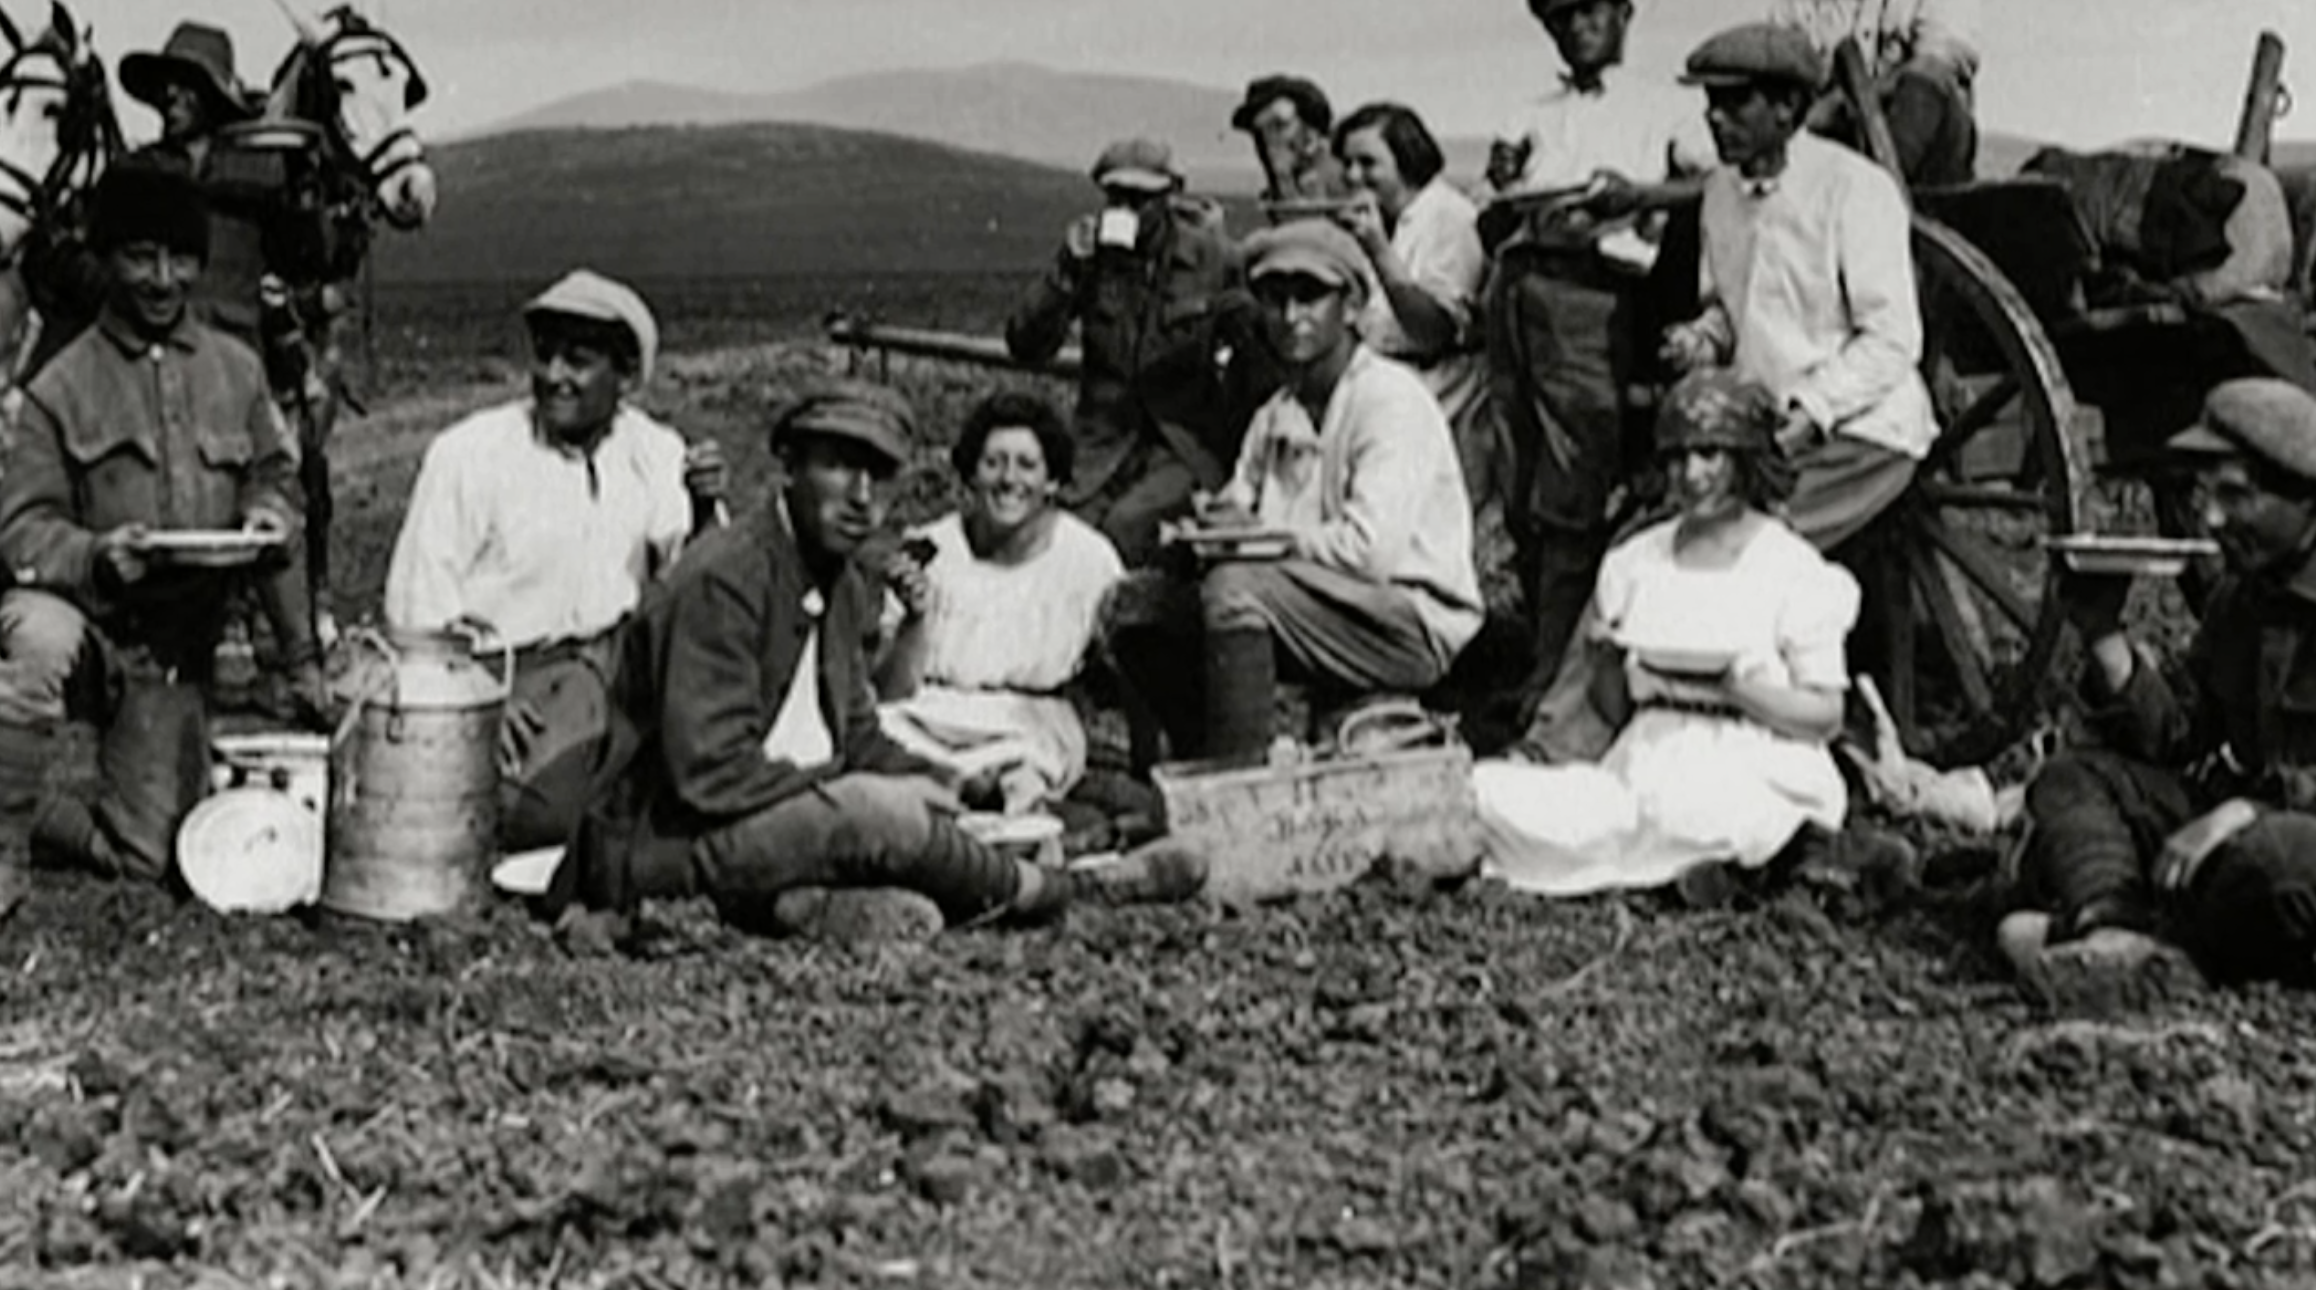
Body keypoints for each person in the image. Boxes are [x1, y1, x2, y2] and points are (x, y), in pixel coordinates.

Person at [543, 383, 1203, 944]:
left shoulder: (839, 573)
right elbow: (711, 775)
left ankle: (807, 908)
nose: (863, 494)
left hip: (766, 819)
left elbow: (858, 733)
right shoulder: (727, 579)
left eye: (881, 475)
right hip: (659, 845)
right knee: (877, 814)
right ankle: (1064, 894)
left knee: (926, 817)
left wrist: (960, 786)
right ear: (790, 465)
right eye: (840, 465)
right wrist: (871, 792)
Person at [0, 161, 321, 919]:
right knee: (38, 633)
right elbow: (21, 527)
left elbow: (277, 476)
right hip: (87, 630)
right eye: (140, 256)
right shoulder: (59, 385)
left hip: (174, 651)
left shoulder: (236, 372)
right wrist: (96, 556)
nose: (162, 277)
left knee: (150, 856)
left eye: (180, 258)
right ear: (107, 259)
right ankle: (3, 843)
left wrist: (272, 514)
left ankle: (42, 813)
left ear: (202, 262)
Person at [1112, 220, 1482, 763]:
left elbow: (1368, 552)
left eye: (1311, 298)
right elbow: (1239, 509)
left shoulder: (1387, 401)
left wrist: (1258, 537)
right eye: (1274, 299)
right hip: (1315, 603)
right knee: (1140, 611)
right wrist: (1213, 525)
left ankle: (1240, 779)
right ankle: (1188, 766)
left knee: (1236, 588)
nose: (1291, 317)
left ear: (1351, 308)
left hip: (1409, 620)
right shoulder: (1277, 412)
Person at [1476, 371, 1857, 897]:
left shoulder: (1790, 567)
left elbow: (1825, 717)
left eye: (1709, 455)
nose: (1691, 474)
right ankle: (1703, 867)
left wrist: (1737, 689)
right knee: (1487, 791)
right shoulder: (1635, 561)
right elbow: (1614, 712)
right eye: (1677, 458)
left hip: (1753, 763)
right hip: (1646, 761)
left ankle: (1752, 856)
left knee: (1703, 815)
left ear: (1745, 461)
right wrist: (1605, 662)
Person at [383, 269, 726, 852]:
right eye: (544, 356)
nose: (553, 377)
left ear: (623, 375)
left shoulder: (657, 452)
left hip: (624, 671)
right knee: (541, 819)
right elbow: (417, 609)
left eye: (578, 360)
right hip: (511, 682)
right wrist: (481, 700)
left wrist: (702, 506)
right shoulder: (470, 455)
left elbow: (696, 589)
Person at [2003, 378, 2316, 993]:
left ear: (2305, 501)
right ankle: (2111, 935)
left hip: (2288, 836)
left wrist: (2247, 809)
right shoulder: (2241, 597)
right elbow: (2178, 734)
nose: (2211, 518)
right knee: (2073, 779)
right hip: (2245, 830)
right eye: (2206, 496)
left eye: (2236, 496)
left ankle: (2162, 947)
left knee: (2272, 859)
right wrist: (2102, 635)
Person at [1486, 0, 1717, 700]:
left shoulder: (1668, 107)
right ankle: (1542, 654)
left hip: (1594, 293)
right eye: (1559, 15)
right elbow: (1504, 199)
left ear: (1623, 14)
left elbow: (1716, 182)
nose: (1575, 27)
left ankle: (1560, 679)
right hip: (1519, 283)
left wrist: (1637, 194)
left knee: (1575, 478)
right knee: (1517, 476)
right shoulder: (1533, 110)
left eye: (1588, 10)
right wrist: (1503, 176)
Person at [1663, 21, 1934, 552]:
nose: (1715, 117)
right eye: (1712, 102)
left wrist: (1812, 411)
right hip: (1769, 432)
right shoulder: (1720, 192)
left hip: (1862, 431)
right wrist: (1701, 338)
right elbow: (1727, 307)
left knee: (1726, 548)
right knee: (1666, 541)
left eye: (1735, 102)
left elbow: (1893, 339)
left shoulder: (1854, 189)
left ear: (1788, 107)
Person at [1006, 137, 1273, 566]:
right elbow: (1025, 344)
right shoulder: (1090, 256)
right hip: (1101, 446)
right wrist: (1065, 271)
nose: (1128, 209)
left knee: (1124, 530)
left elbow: (1258, 351)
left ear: (1170, 196)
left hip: (1183, 447)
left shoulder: (1213, 258)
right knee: (1058, 536)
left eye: (1142, 199)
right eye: (1117, 197)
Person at [875, 391, 1125, 812]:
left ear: (1052, 481)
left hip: (1028, 723)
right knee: (880, 737)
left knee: (1023, 772)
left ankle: (994, 821)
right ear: (972, 473)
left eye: (1027, 465)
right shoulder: (931, 549)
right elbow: (892, 692)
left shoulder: (1087, 559)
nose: (1009, 480)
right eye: (994, 463)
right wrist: (915, 621)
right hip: (931, 715)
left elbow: (1121, 667)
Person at [1332, 102, 1493, 508]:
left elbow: (1433, 330)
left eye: (1368, 164)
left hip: (1440, 395)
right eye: (1346, 164)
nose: (1353, 177)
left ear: (1407, 160)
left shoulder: (1450, 219)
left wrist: (1378, 251)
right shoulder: (1379, 219)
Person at [1770, 0, 1980, 186]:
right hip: (1831, 134)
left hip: (1923, 148)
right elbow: (1774, 60)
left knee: (1923, 86)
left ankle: (1879, 196)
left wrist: (1840, 102)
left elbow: (1937, 64)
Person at [1231, 74, 1350, 204]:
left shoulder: (1347, 184)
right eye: (1259, 133)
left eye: (1279, 126)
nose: (1268, 139)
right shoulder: (1274, 194)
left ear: (1311, 135)